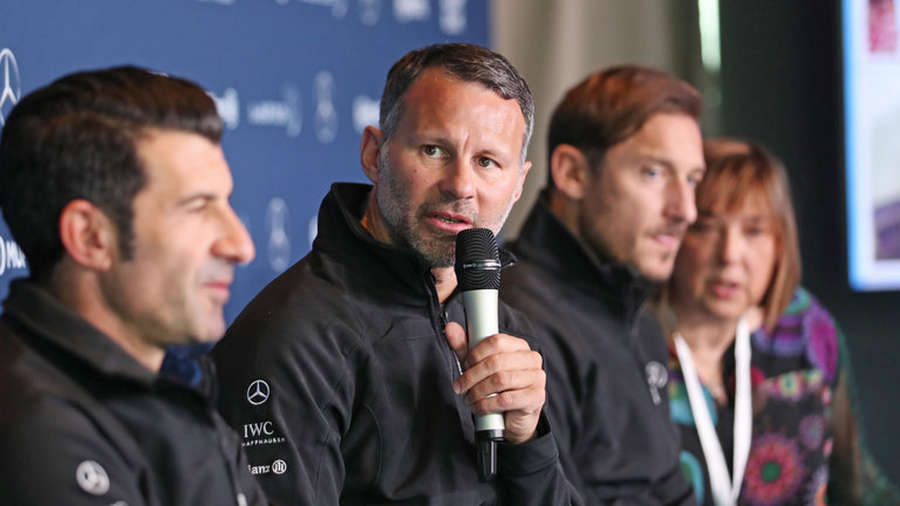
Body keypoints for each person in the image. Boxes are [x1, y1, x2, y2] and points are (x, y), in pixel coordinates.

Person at [211, 43, 581, 505]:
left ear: (519, 183)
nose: (461, 186)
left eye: (487, 162)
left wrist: (527, 441)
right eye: (434, 150)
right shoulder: (293, 339)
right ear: (374, 154)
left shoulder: (510, 335)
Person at [0, 66, 264, 505]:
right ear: (91, 238)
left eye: (226, 203)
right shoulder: (33, 426)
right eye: (197, 208)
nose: (241, 245)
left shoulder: (176, 386)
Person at [499, 65, 705, 504]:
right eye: (654, 173)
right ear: (572, 173)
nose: (685, 209)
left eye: (692, 180)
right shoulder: (515, 322)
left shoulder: (640, 317)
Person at [660, 138, 900, 505]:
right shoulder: (629, 345)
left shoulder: (806, 329)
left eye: (754, 231)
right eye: (706, 227)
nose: (730, 255)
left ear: (780, 244)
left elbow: (856, 487)